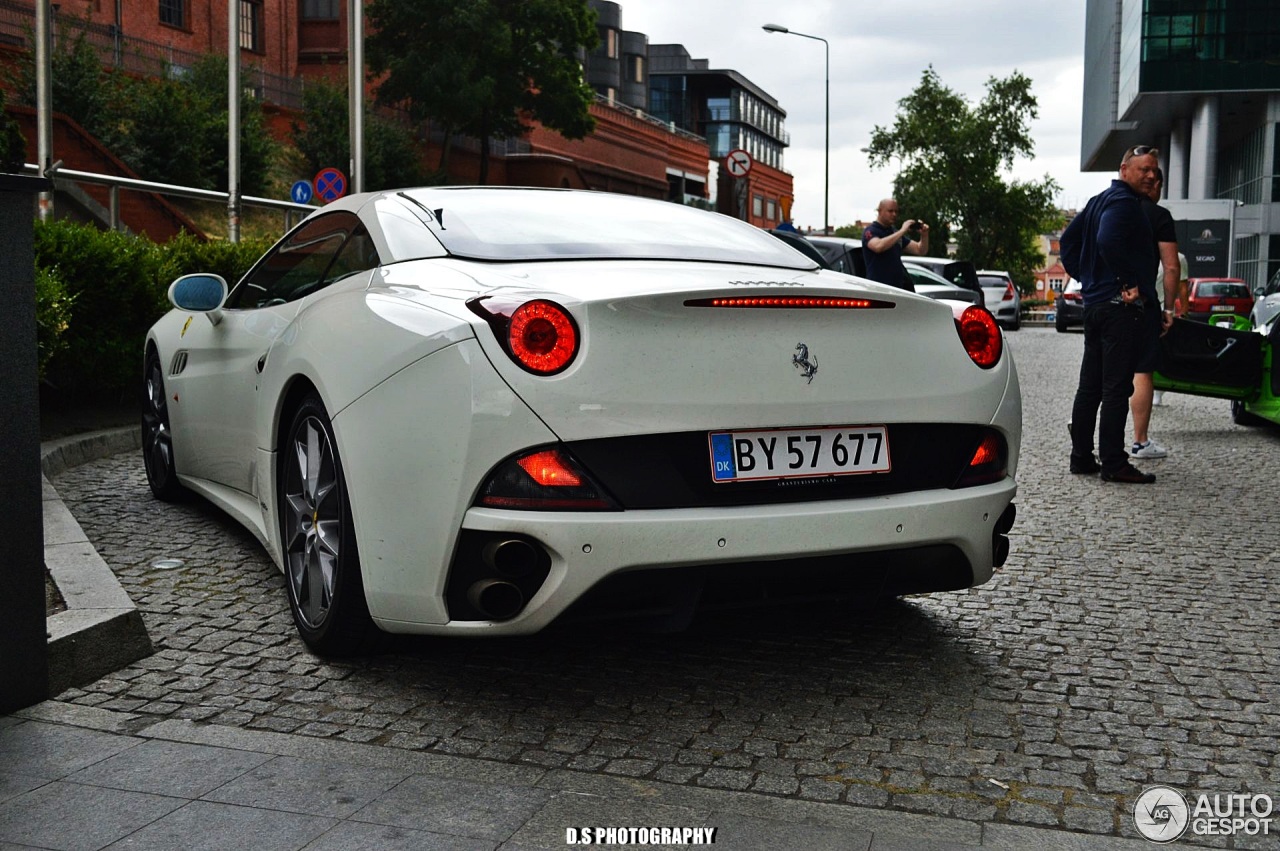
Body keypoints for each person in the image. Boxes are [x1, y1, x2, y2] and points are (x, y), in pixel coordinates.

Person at [1061, 145, 1161, 484]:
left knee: (1090, 387)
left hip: (1097, 306)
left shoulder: (1097, 201)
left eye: (1154, 171)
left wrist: (1088, 280)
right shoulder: (1123, 203)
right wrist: (1126, 281)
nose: (1150, 175)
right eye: (1144, 169)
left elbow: (1068, 243)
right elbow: (1107, 240)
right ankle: (1114, 464)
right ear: (1124, 169)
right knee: (1116, 388)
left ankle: (1081, 457)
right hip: (1119, 310)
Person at [1129, 167, 1181, 458]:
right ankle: (1140, 441)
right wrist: (1169, 307)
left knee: (1101, 370)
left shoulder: (1108, 207)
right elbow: (1172, 266)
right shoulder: (1159, 216)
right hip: (1143, 303)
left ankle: (1084, 433)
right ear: (1157, 185)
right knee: (1141, 370)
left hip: (1105, 301)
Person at [861, 198, 929, 291]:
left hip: (897, 288)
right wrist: (902, 231)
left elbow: (920, 250)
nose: (894, 214)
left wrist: (924, 235)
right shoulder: (871, 231)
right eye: (890, 211)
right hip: (878, 288)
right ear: (880, 211)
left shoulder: (894, 233)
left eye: (896, 211)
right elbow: (878, 246)